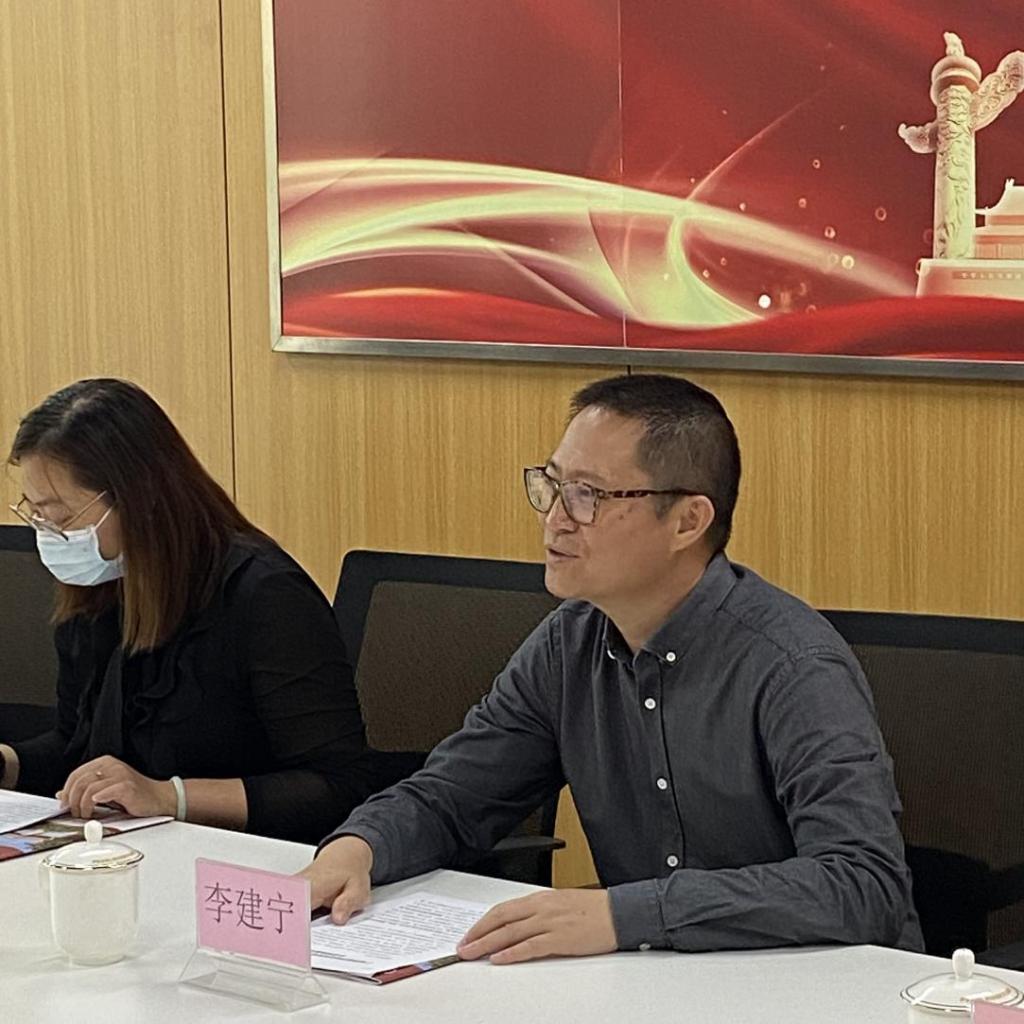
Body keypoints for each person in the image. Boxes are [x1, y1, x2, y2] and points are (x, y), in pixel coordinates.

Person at [301, 372, 923, 961]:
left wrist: (628, 916)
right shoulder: (568, 644)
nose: (555, 518)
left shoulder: (793, 665)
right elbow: (453, 796)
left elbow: (862, 884)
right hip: (654, 982)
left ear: (687, 521)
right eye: (552, 485)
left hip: (824, 987)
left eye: (588, 496)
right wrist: (359, 847)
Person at [1, 378, 378, 844]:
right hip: (133, 849)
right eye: (37, 514)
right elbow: (77, 746)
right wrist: (7, 764)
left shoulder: (264, 594)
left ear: (137, 497)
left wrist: (170, 796)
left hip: (245, 857)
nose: (50, 533)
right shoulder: (99, 585)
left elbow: (338, 786)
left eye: (61, 516)